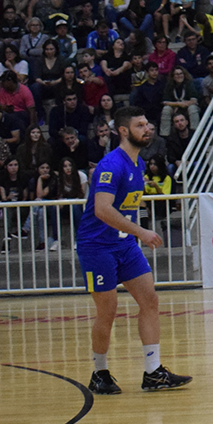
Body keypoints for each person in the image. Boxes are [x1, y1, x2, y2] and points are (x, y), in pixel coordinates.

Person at [80, 107, 191, 395]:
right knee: (108, 310)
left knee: (149, 299)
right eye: (140, 125)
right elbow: (102, 209)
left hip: (124, 243)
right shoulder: (111, 165)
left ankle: (153, 372)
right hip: (98, 246)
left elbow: (128, 206)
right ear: (124, 131)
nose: (148, 128)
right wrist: (141, 231)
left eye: (148, 123)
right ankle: (99, 372)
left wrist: (135, 231)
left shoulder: (138, 164)